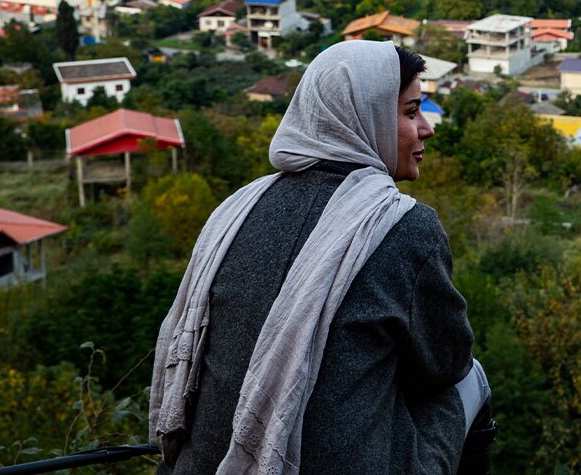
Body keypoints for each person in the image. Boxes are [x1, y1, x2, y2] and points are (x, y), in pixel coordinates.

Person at [149, 40, 492, 474]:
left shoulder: (237, 209)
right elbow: (446, 362)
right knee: (471, 377)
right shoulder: (402, 227)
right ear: (363, 119)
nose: (427, 128)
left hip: (205, 464)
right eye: (410, 112)